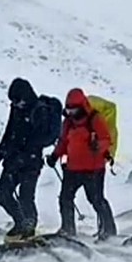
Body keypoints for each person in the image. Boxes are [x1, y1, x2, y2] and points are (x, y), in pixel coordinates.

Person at [46, 88, 118, 241]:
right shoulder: (68, 123)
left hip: (93, 169)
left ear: (82, 106)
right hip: (73, 168)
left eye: (74, 109)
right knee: (65, 198)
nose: (71, 113)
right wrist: (54, 156)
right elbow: (63, 142)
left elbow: (106, 139)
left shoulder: (95, 119)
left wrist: (98, 145)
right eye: (69, 109)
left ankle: (109, 231)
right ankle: (68, 229)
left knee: (96, 200)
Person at [0, 77, 46, 243]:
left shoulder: (39, 110)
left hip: (31, 163)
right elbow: (9, 134)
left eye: (17, 100)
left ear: (25, 96)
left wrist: (24, 153)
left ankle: (29, 228)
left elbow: (38, 140)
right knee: (2, 194)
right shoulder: (16, 109)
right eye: (13, 101)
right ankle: (21, 223)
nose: (15, 104)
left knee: (26, 197)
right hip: (12, 161)